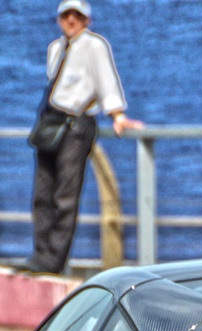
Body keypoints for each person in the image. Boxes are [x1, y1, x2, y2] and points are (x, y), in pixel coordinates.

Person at [23, 0, 143, 275]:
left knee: (65, 195)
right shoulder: (55, 48)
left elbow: (106, 81)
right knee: (42, 193)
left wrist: (117, 115)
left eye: (77, 16)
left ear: (87, 20)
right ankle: (39, 255)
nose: (71, 20)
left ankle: (53, 261)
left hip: (76, 125)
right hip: (50, 123)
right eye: (66, 15)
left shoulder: (94, 45)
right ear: (59, 19)